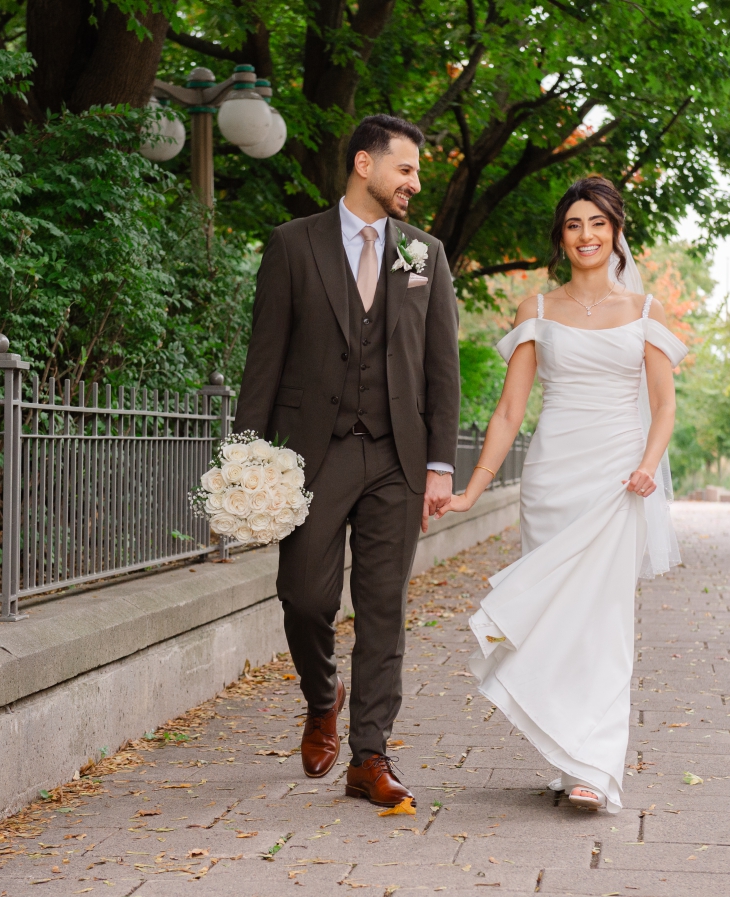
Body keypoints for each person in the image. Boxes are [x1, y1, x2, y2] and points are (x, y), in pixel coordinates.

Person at [234, 114, 460, 808]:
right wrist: (247, 461)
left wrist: (441, 464)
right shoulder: (293, 245)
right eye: (406, 169)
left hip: (397, 452)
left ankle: (370, 755)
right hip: (316, 452)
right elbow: (264, 360)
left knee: (384, 607)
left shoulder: (425, 254)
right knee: (304, 596)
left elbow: (442, 368)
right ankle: (321, 692)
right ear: (365, 164)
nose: (415, 184)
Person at [441, 176, 684, 814]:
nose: (586, 235)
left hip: (616, 478)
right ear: (561, 237)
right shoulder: (536, 311)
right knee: (553, 625)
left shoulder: (645, 313)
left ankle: (596, 770)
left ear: (616, 232)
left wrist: (648, 465)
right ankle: (565, 755)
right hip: (553, 478)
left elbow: (663, 408)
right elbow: (508, 412)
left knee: (603, 624)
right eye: (574, 225)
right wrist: (471, 491)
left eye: (597, 224)